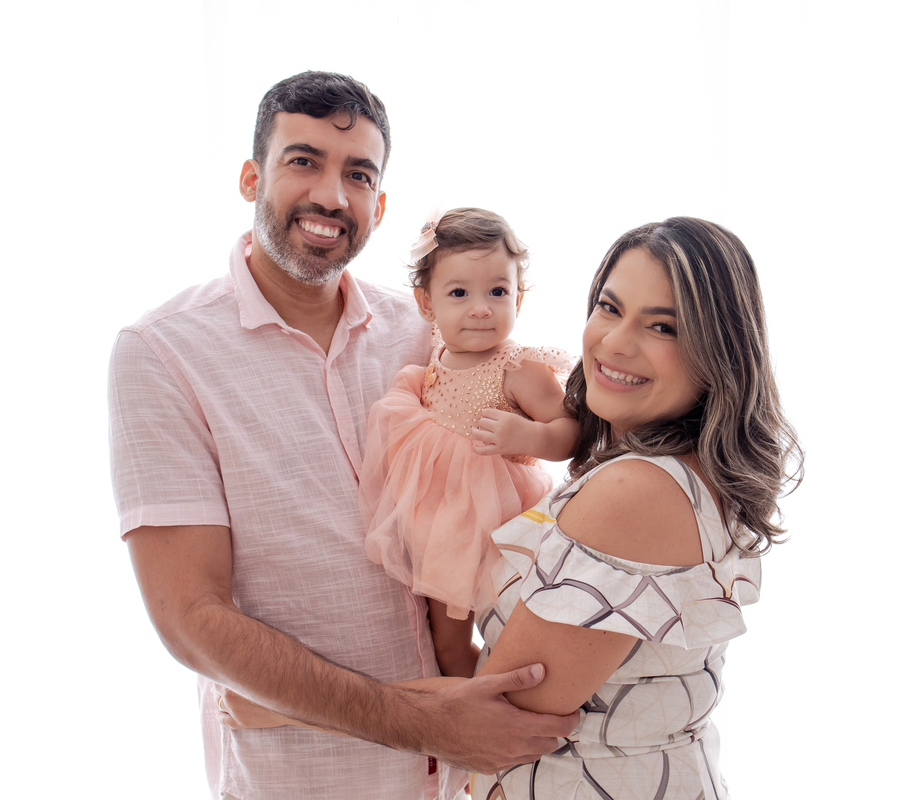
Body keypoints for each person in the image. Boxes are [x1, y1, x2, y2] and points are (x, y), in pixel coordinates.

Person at [107, 71, 577, 800]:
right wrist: (423, 721)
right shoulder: (163, 354)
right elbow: (190, 620)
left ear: (379, 205)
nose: (331, 196)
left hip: (471, 778)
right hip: (303, 782)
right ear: (251, 177)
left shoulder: (429, 330)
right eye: (304, 161)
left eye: (358, 174)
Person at [470, 217, 804, 798]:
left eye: (663, 327)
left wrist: (317, 701)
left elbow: (489, 723)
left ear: (719, 353)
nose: (616, 342)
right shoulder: (684, 473)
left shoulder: (639, 490)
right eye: (610, 307)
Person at [359, 207, 577, 680]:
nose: (481, 308)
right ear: (427, 304)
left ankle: (523, 690)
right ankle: (470, 701)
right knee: (448, 642)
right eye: (459, 293)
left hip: (503, 521)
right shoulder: (435, 355)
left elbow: (571, 432)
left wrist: (529, 435)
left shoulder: (519, 367)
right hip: (443, 527)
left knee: (513, 625)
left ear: (519, 296)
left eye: (498, 292)